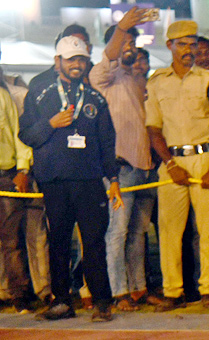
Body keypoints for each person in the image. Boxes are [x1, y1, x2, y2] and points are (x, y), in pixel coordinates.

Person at [18, 35, 121, 322]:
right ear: (57, 61)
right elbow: (26, 134)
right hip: (54, 181)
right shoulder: (39, 92)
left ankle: (102, 302)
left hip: (89, 181)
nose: (77, 65)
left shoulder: (95, 98)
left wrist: (112, 178)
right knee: (59, 242)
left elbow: (106, 141)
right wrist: (50, 124)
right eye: (71, 59)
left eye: (82, 60)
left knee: (94, 242)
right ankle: (62, 301)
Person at [145, 20, 209, 311]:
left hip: (205, 157)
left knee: (207, 229)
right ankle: (173, 290)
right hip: (172, 162)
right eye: (182, 44)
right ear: (169, 46)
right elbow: (154, 129)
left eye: (193, 44)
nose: (189, 50)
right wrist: (169, 163)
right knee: (169, 230)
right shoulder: (156, 82)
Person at [93, 9, 157, 312]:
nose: (131, 48)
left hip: (145, 167)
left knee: (137, 234)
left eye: (134, 43)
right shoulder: (103, 76)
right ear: (115, 47)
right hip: (120, 168)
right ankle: (117, 292)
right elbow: (110, 55)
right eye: (126, 44)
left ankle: (138, 289)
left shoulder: (136, 77)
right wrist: (122, 29)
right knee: (116, 233)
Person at [0, 41, 37, 313]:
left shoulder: (3, 96)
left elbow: (18, 135)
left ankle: (18, 294)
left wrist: (23, 170)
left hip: (6, 175)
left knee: (12, 240)